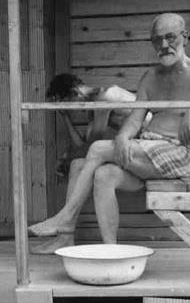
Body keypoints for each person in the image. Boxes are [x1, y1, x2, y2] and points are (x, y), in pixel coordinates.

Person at [29, 13, 190, 251]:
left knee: (97, 149)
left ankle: (65, 218)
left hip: (179, 152)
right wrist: (124, 136)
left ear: (184, 37)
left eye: (170, 38)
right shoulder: (150, 77)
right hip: (147, 150)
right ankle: (110, 251)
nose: (164, 45)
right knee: (104, 175)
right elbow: (135, 120)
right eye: (157, 40)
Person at [32, 73, 136, 254]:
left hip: (145, 148)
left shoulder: (106, 97)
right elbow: (83, 149)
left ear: (74, 93)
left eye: (66, 105)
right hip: (129, 152)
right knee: (77, 165)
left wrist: (68, 153)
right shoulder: (93, 106)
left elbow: (90, 146)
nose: (71, 110)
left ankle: (65, 221)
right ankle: (65, 238)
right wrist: (65, 118)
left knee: (83, 162)